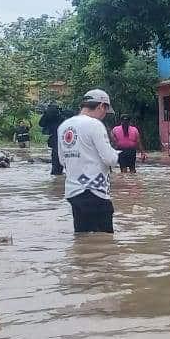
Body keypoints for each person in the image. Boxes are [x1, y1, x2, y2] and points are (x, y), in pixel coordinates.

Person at [58, 89, 120, 233]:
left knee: (83, 240)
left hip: (73, 193)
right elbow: (109, 159)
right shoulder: (95, 125)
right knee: (104, 245)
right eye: (105, 110)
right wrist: (118, 156)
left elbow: (62, 161)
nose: (104, 115)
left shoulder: (64, 126)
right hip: (95, 192)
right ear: (101, 106)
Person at [40, 102, 66, 175]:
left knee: (55, 158)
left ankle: (56, 174)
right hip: (62, 138)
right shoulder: (60, 115)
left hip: (55, 138)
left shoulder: (48, 116)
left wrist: (45, 114)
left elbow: (41, 124)